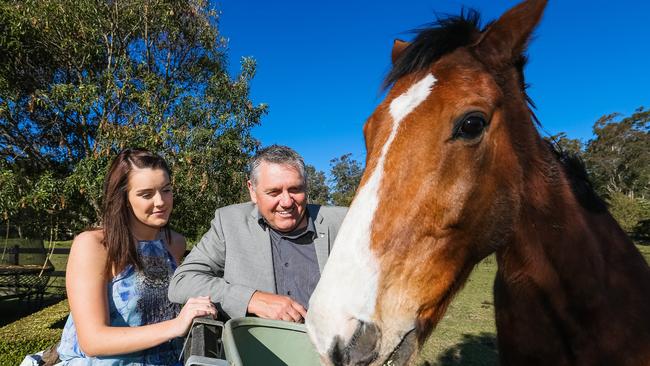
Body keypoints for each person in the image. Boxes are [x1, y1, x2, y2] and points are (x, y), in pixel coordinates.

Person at [36, 149, 216, 365]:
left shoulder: (175, 243)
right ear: (124, 198)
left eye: (166, 190)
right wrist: (177, 325)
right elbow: (92, 340)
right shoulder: (95, 245)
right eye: (146, 194)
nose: (161, 202)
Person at [168, 145, 347, 323]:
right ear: (252, 191)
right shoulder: (229, 223)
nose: (286, 202)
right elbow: (182, 282)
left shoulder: (343, 221)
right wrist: (252, 299)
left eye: (295, 189)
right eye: (274, 192)